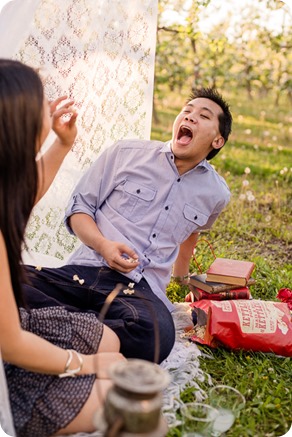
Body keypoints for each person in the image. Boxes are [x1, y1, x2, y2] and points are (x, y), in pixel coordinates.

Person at [22, 86, 233, 364]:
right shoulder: (125, 152)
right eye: (187, 111)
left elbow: (191, 234)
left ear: (217, 140)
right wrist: (104, 245)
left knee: (155, 336)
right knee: (8, 283)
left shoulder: (217, 193)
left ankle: (43, 327)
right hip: (83, 272)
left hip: (139, 290)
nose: (190, 117)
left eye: (203, 116)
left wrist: (182, 279)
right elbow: (79, 210)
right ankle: (89, 332)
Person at [0, 58, 126, 437]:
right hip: (7, 351)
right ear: (19, 121)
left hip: (9, 327)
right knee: (126, 397)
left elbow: (22, 193)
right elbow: (11, 346)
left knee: (111, 340)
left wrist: (62, 143)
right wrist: (86, 365)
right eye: (42, 102)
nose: (51, 105)